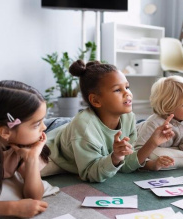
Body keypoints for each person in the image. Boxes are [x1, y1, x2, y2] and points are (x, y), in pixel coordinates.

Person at [45, 60, 174, 182]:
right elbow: (90, 173)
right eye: (118, 90)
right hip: (52, 131)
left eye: (127, 87)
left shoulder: (128, 117)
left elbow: (126, 164)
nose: (127, 93)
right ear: (96, 100)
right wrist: (115, 157)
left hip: (70, 125)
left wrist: (153, 142)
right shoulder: (84, 129)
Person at [0, 80, 49, 218]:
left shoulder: (20, 147)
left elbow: (35, 197)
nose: (44, 128)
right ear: (5, 132)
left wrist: (32, 159)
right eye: (37, 124)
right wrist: (11, 208)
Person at [135, 76, 183, 171]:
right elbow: (138, 154)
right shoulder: (153, 124)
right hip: (138, 128)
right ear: (168, 108)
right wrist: (152, 164)